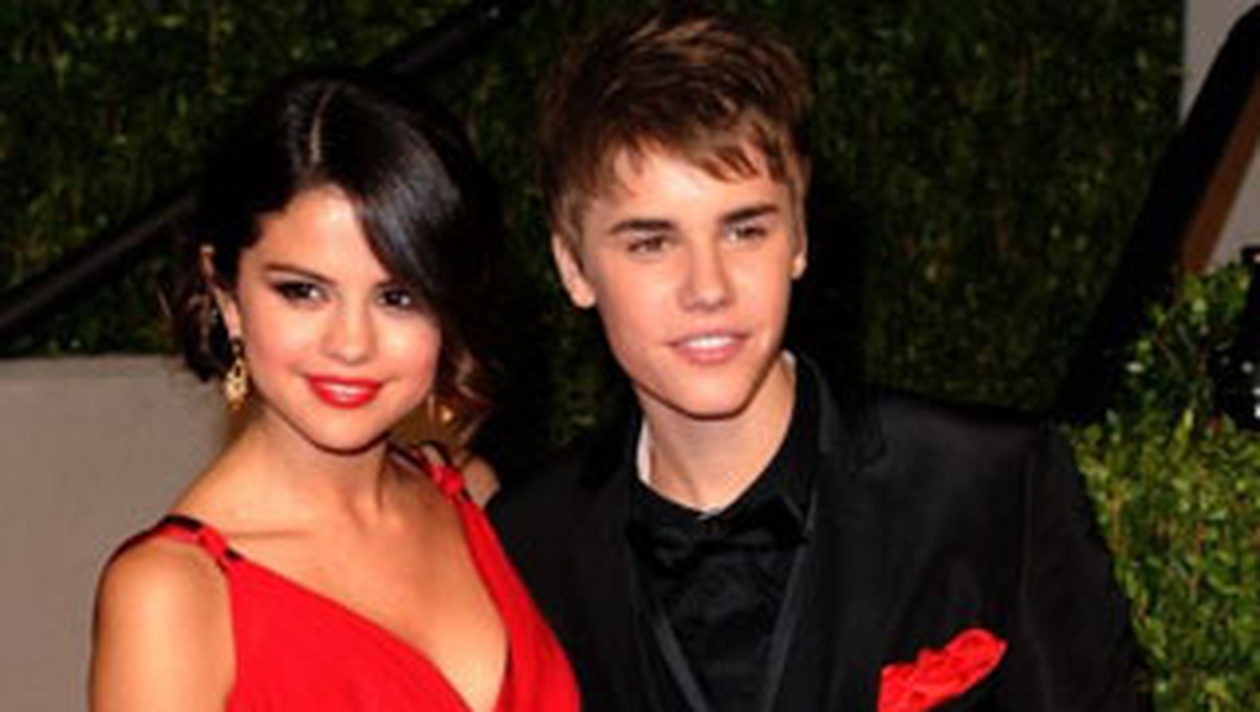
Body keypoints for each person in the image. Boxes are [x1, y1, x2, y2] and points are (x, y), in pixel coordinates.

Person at [488, 7, 1147, 711]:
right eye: (652, 243)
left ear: (799, 236)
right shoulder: (527, 546)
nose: (708, 287)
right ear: (574, 267)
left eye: (744, 230)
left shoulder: (991, 488)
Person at [90, 68, 579, 712]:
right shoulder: (171, 596)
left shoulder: (470, 497)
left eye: (398, 297)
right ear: (227, 295)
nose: (351, 343)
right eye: (303, 291)